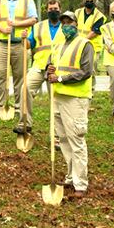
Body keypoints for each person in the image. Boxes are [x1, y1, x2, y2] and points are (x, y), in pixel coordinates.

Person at [47, 11, 95, 199]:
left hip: (75, 99)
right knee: (64, 140)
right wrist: (49, 72)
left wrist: (60, 78)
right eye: (63, 22)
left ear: (76, 24)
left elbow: (86, 71)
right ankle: (70, 176)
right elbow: (51, 69)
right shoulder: (58, 46)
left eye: (69, 22)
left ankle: (80, 183)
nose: (66, 25)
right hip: (58, 97)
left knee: (76, 139)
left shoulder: (85, 44)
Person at [0, 0, 38, 117]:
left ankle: (18, 106)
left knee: (20, 75)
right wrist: (3, 28)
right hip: (1, 43)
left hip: (20, 43)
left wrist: (17, 24)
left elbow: (33, 19)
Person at [20, 0, 64, 133]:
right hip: (39, 66)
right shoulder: (38, 26)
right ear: (46, 11)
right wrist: (24, 39)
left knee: (57, 101)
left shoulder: (65, 26)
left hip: (57, 69)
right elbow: (29, 45)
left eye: (56, 9)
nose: (53, 11)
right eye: (50, 10)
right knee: (25, 89)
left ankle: (58, 134)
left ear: (60, 10)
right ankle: (25, 124)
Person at [74, 0, 106, 92]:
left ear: (94, 1)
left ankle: (91, 89)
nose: (89, 3)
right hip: (78, 45)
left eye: (91, 1)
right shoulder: (77, 12)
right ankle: (79, 87)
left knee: (91, 68)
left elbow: (95, 32)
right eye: (87, 1)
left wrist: (82, 41)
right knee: (77, 66)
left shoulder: (99, 16)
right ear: (84, 1)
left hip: (93, 47)